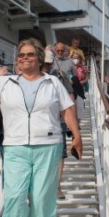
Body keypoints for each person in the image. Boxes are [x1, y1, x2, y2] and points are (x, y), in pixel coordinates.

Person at [0, 33, 82, 217]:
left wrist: (77, 136)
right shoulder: (5, 82)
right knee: (15, 196)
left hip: (48, 147)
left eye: (30, 55)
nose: (24, 58)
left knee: (40, 198)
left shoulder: (53, 82)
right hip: (15, 147)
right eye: (21, 55)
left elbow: (67, 109)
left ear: (40, 59)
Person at [43, 45, 75, 200]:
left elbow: (69, 100)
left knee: (60, 155)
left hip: (58, 121)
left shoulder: (57, 78)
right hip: (37, 125)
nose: (46, 66)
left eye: (49, 63)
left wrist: (75, 131)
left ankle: (57, 186)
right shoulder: (25, 77)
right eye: (44, 63)